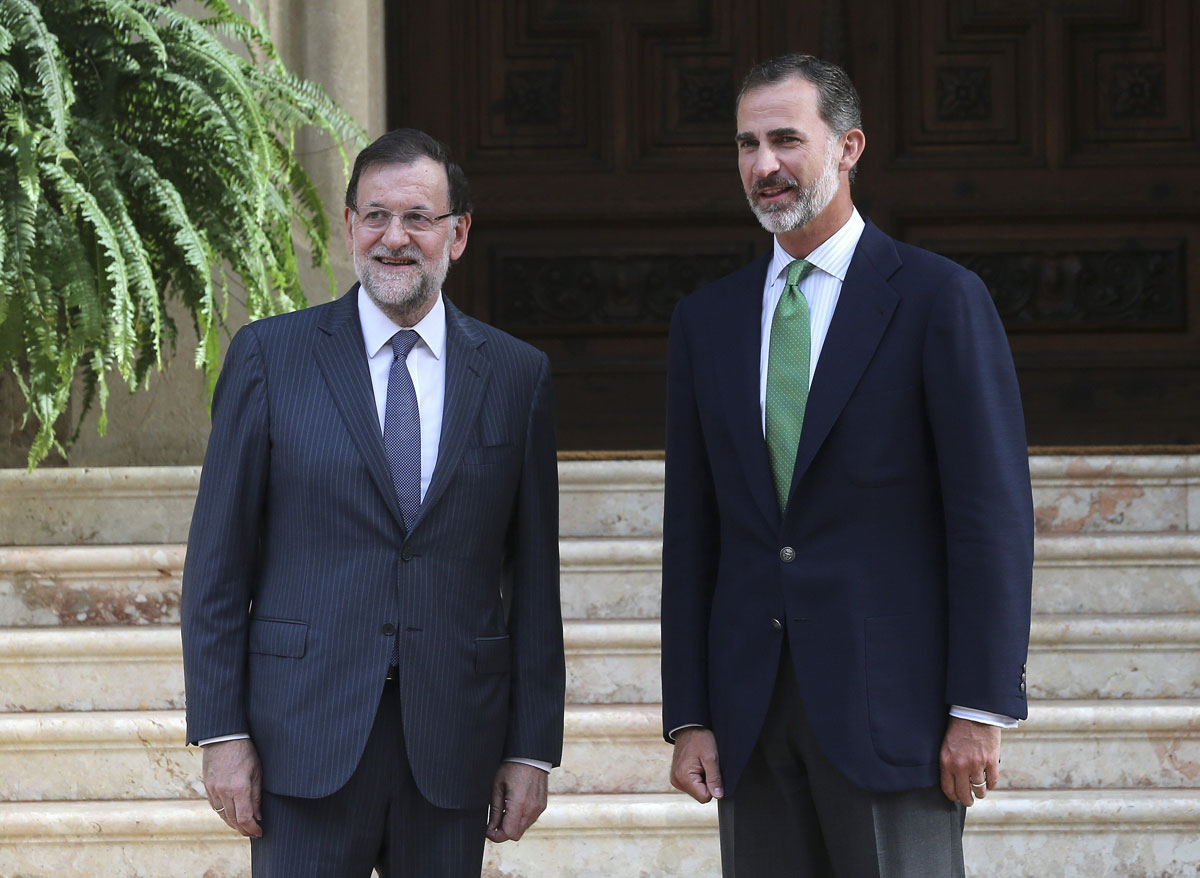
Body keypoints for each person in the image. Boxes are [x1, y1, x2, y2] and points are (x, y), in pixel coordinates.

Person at [660, 54, 1034, 877]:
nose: (764, 165)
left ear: (849, 146)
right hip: (751, 719)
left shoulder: (939, 299)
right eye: (747, 145)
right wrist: (690, 713)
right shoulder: (706, 322)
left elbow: (991, 518)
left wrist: (980, 707)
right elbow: (693, 535)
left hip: (895, 713)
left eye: (787, 140)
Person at [181, 128, 564, 878]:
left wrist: (530, 744)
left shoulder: (518, 376)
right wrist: (221, 730)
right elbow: (217, 564)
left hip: (453, 741)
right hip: (303, 738)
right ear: (350, 225)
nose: (396, 238)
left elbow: (534, 581)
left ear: (458, 234)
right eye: (377, 216)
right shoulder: (271, 358)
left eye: (418, 218)